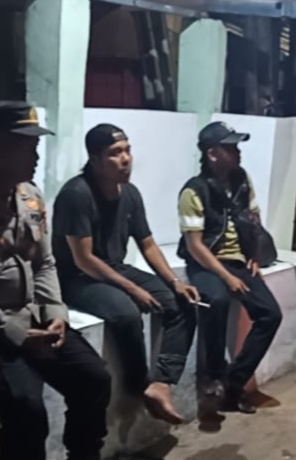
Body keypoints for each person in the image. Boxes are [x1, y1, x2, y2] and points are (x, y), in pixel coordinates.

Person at [0, 102, 111, 460]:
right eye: (28, 147)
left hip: (31, 315)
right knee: (25, 411)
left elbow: (43, 262)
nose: (36, 156)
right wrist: (14, 334)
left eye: (36, 146)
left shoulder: (30, 196)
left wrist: (55, 313)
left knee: (93, 379)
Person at [53, 124, 200, 424]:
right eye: (115, 153)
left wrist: (174, 281)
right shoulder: (76, 194)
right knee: (126, 313)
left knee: (183, 303)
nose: (125, 159)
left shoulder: (130, 193)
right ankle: (138, 386)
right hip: (76, 277)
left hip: (114, 267)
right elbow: (84, 259)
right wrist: (132, 289)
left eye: (127, 151)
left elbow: (148, 244)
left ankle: (162, 384)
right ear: (95, 159)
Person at [177, 121, 283, 414]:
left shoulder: (241, 179)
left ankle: (234, 384)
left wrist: (254, 254)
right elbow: (195, 246)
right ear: (212, 154)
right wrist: (226, 276)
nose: (238, 152)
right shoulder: (193, 191)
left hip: (238, 262)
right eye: (230, 147)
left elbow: (253, 218)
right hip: (207, 263)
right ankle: (213, 375)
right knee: (217, 299)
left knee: (271, 314)